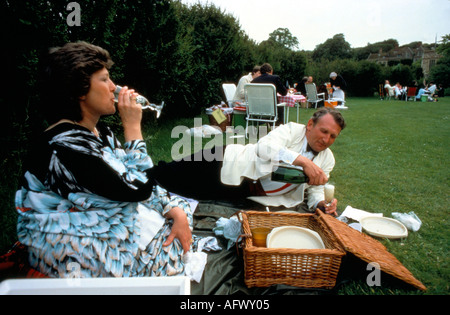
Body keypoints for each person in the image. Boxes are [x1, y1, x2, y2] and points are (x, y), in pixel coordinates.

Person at [15, 42, 196, 278]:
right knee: (173, 249)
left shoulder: (99, 132)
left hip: (98, 224)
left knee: (179, 215)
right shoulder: (64, 145)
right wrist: (132, 127)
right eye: (105, 79)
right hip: (68, 244)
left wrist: (173, 210)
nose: (115, 88)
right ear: (79, 90)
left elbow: (136, 177)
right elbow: (138, 188)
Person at [152, 108, 346, 216]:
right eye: (324, 131)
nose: (326, 139)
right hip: (226, 162)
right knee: (166, 174)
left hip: (242, 190)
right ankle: (131, 174)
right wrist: (303, 161)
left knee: (184, 192)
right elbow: (264, 146)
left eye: (332, 136)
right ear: (310, 125)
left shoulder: (327, 159)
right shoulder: (292, 130)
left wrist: (322, 203)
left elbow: (315, 188)